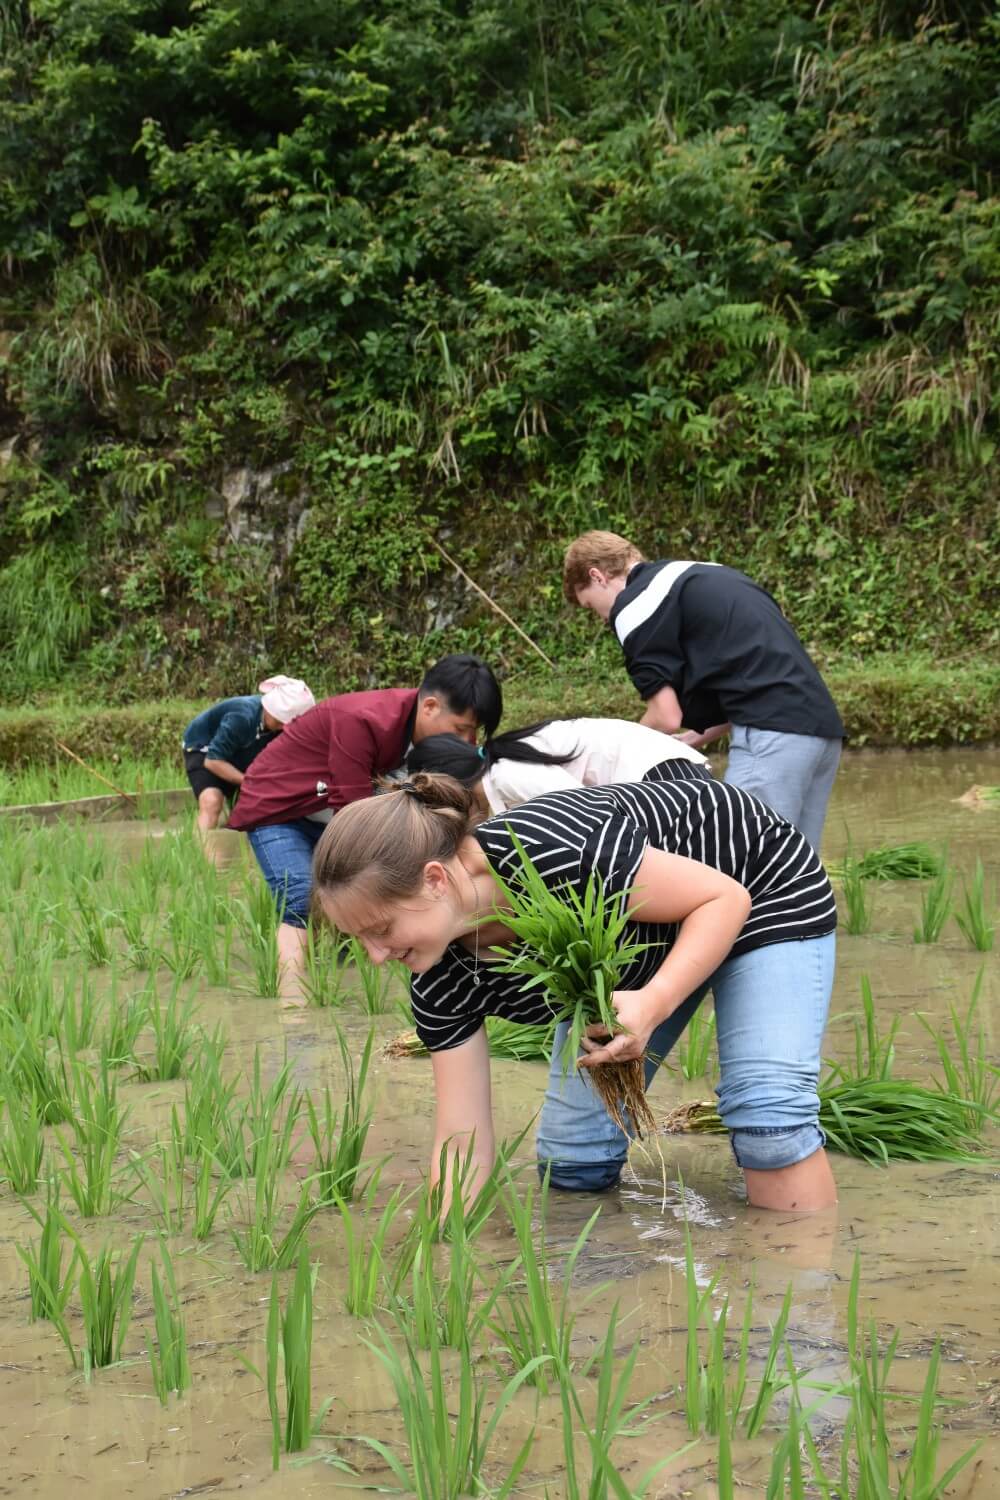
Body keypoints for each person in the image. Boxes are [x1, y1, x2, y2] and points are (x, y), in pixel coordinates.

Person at [313, 771, 839, 1213]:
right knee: (574, 1163)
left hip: (756, 889)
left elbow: (723, 898)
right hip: (637, 946)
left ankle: (803, 1284)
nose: (375, 956)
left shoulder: (557, 853)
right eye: (358, 938)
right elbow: (461, 1137)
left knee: (770, 1121)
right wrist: (444, 1251)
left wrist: (654, 1003)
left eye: (381, 929)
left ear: (434, 880)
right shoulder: (438, 976)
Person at [227, 655, 502, 1002]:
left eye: (473, 734)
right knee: (300, 894)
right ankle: (292, 1000)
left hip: (324, 809)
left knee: (358, 901)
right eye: (461, 729)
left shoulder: (418, 734)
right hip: (278, 806)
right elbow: (355, 812)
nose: (466, 741)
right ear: (430, 706)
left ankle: (347, 981)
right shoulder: (363, 720)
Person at [562, 531, 845, 854]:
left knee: (738, 863)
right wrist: (692, 739)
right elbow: (753, 675)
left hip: (771, 738)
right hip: (820, 733)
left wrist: (620, 754)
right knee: (798, 866)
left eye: (590, 606)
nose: (602, 618)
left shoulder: (633, 606)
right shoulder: (707, 574)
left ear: (597, 576)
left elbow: (666, 716)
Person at [406, 716, 710, 814]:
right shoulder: (501, 765)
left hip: (662, 776)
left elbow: (589, 810)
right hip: (658, 776)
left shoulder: (506, 775)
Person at [182, 675, 315, 833]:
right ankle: (200, 846)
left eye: (287, 724)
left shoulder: (278, 728)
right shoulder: (241, 717)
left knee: (253, 806)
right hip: (204, 748)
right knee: (212, 801)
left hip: (244, 748)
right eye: (280, 721)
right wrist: (251, 782)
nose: (283, 728)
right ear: (269, 709)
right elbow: (213, 761)